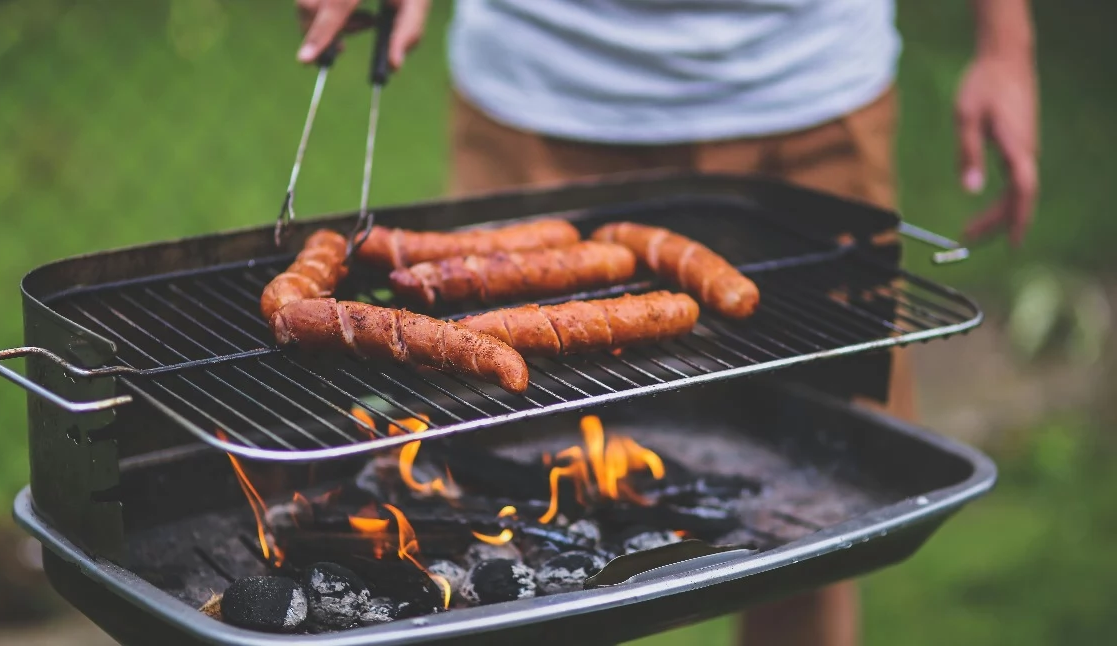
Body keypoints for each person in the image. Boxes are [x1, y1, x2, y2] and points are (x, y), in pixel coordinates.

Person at [294, 1, 1039, 645]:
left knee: (823, 524)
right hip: (542, 91)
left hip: (809, 97)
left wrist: (1008, 46)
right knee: (489, 521)